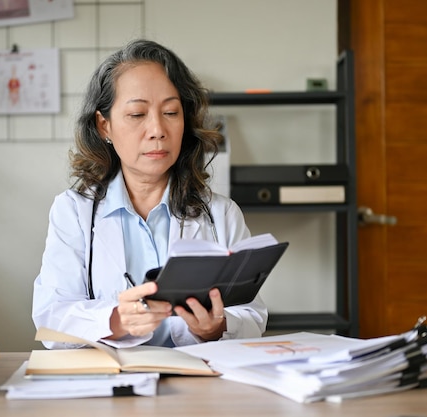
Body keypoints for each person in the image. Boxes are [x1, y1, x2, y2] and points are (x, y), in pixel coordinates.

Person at [32, 39, 267, 349]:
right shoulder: (73, 212)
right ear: (104, 126)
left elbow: (253, 315)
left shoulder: (220, 213)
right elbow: (51, 318)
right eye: (137, 114)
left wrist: (217, 327)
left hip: (197, 386)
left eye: (171, 112)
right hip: (110, 384)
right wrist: (115, 320)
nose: (157, 129)